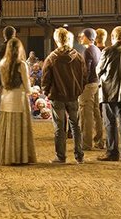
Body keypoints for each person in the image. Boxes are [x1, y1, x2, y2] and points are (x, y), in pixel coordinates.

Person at [41, 27, 85, 164]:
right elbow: (84, 77)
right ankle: (79, 155)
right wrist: (78, 91)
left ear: (56, 40)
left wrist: (46, 92)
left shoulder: (52, 58)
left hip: (57, 96)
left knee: (60, 127)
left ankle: (61, 156)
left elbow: (45, 78)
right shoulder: (78, 57)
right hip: (73, 96)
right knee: (76, 126)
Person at [0, 36, 37, 165]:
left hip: (6, 98)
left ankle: (6, 156)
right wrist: (33, 90)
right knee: (19, 129)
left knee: (7, 130)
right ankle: (20, 157)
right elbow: (27, 85)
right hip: (19, 98)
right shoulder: (21, 64)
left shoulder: (2, 63)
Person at [97, 26, 121, 161]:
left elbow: (99, 70)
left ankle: (112, 152)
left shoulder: (108, 51)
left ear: (112, 36)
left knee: (110, 122)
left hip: (109, 90)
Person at [77, 28, 103, 152]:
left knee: (85, 114)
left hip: (88, 85)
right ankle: (99, 140)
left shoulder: (87, 51)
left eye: (83, 36)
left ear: (88, 37)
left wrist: (81, 84)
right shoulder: (97, 49)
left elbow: (85, 71)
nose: (81, 38)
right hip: (96, 83)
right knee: (96, 113)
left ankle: (86, 143)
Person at [0, 26, 16, 92]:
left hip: (2, 80)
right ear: (14, 35)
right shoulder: (18, 48)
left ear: (4, 35)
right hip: (15, 81)